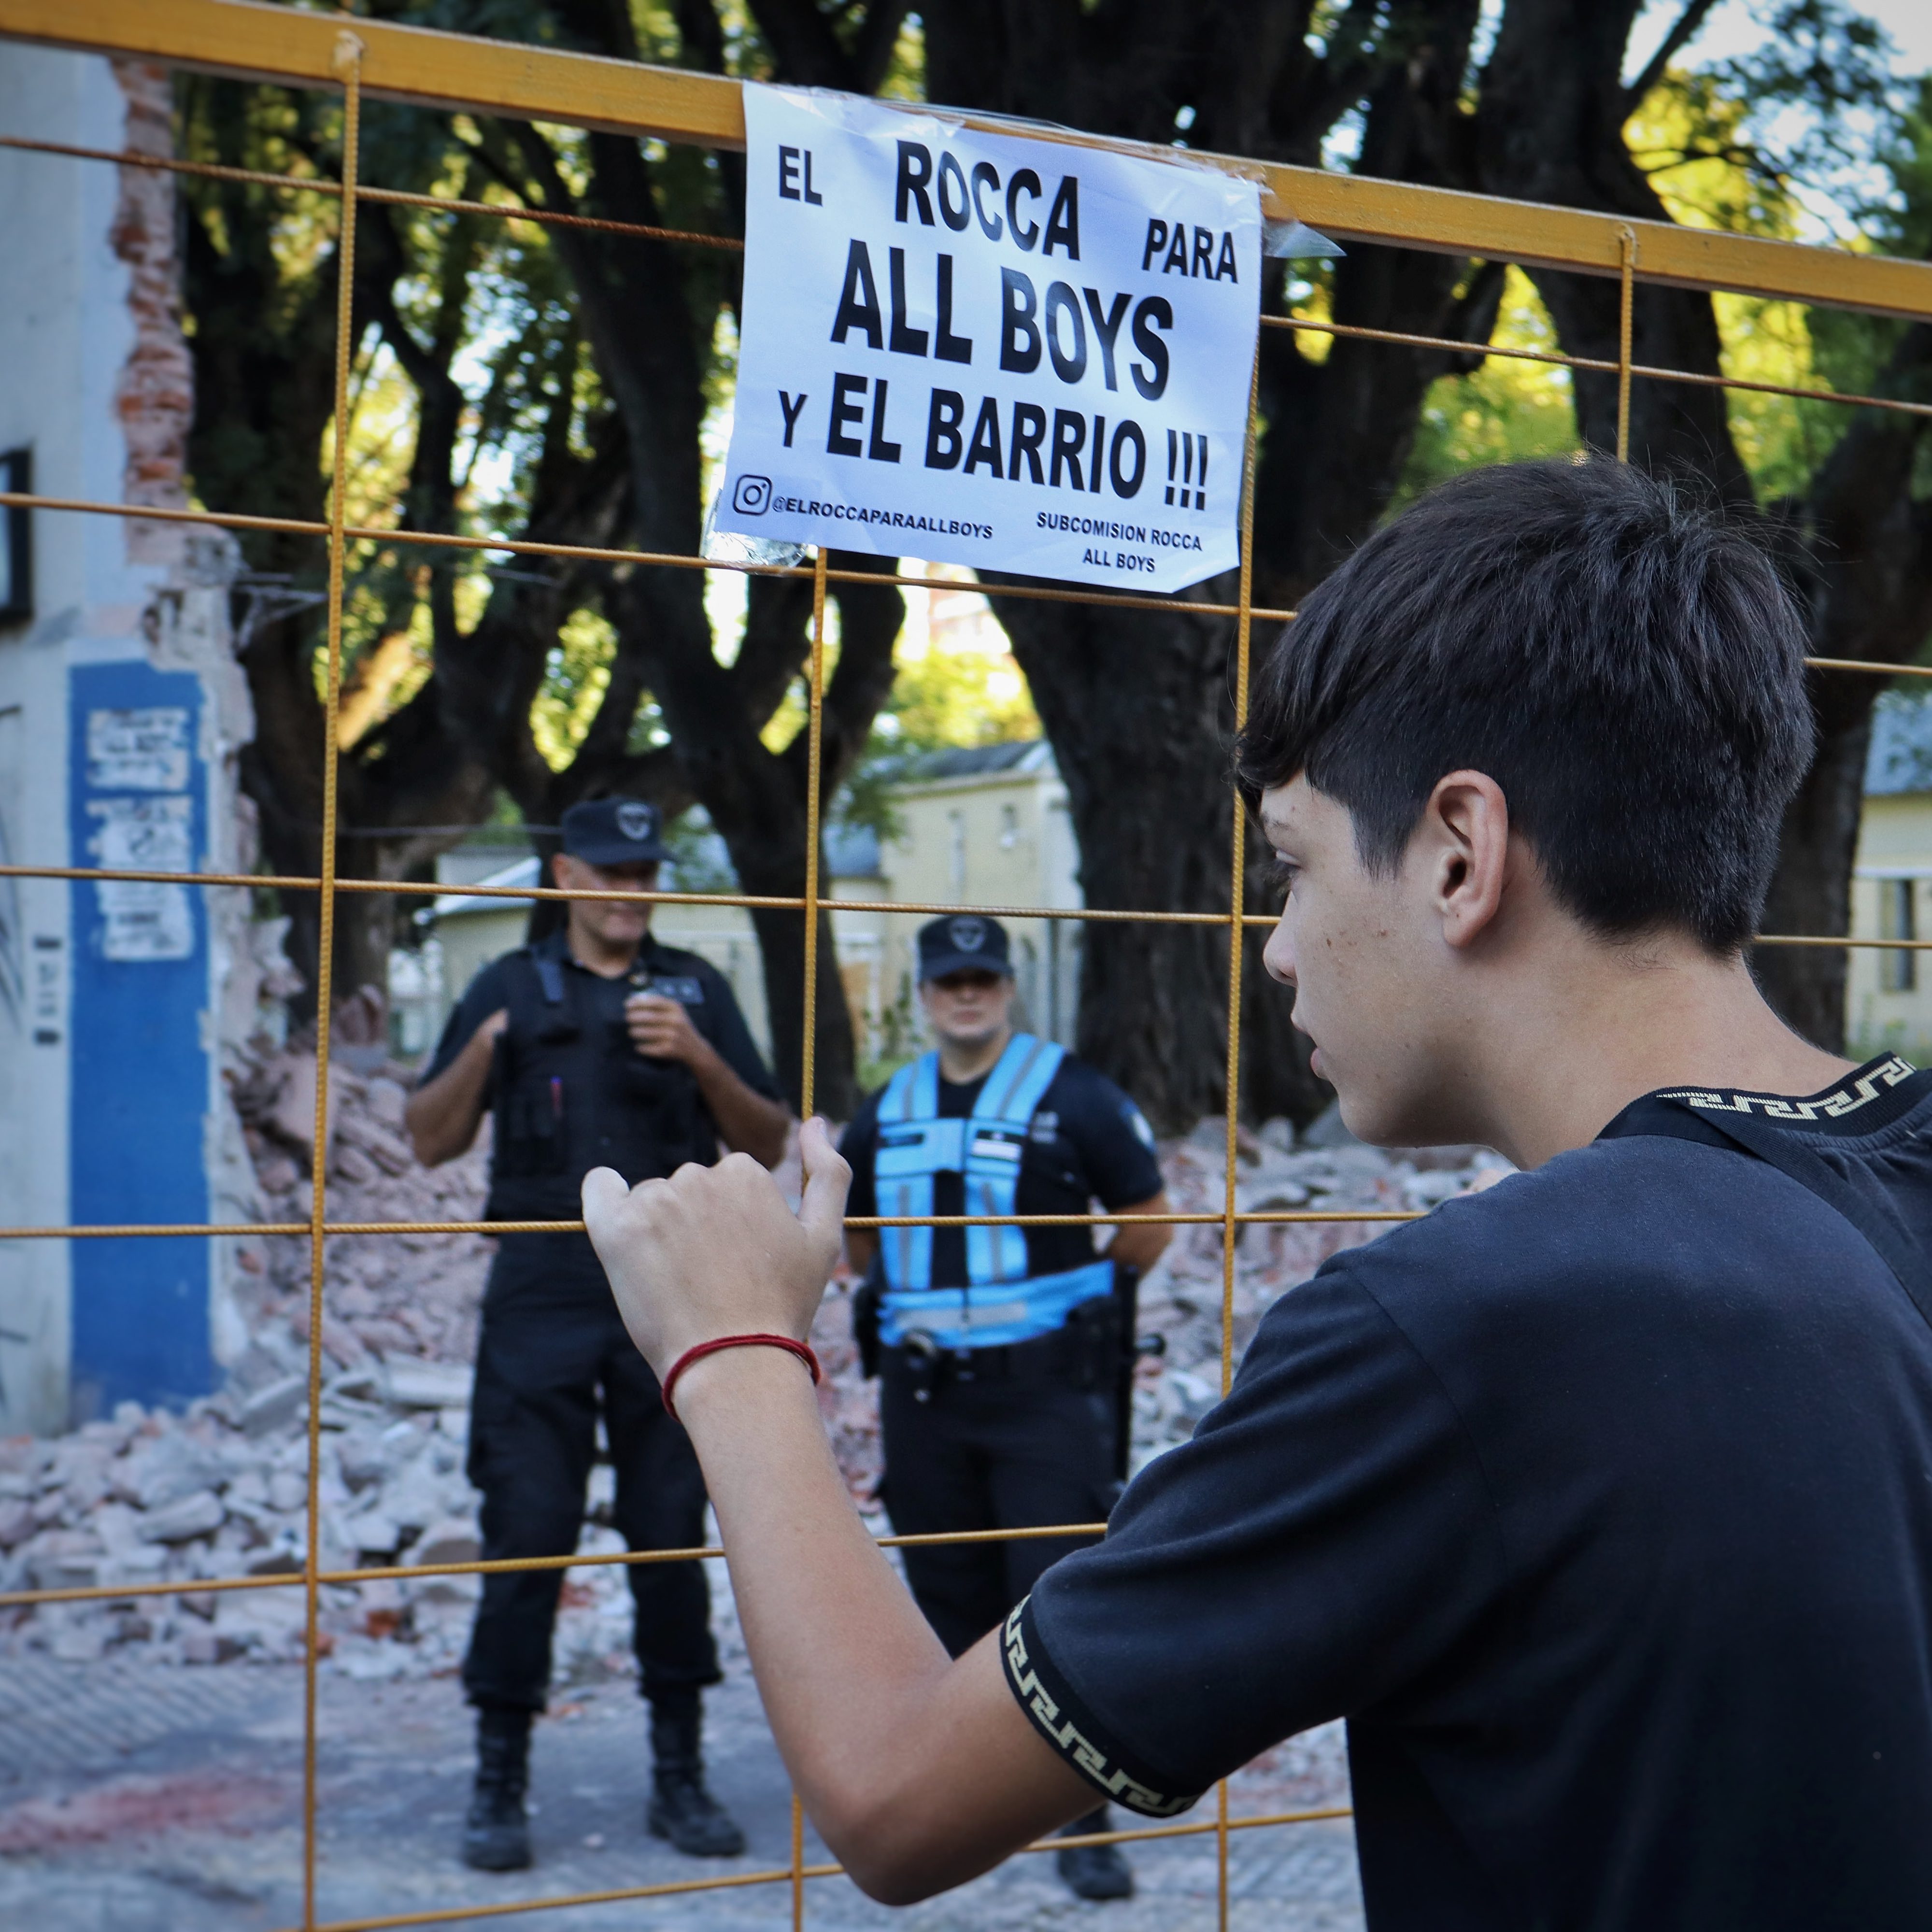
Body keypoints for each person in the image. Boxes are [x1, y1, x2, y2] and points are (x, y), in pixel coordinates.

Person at [577, 460, 1932, 1927]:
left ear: (1459, 854)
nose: (1278, 947)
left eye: (1290, 865)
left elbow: (897, 1794)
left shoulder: (1466, 1325)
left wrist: (733, 1348)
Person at [404, 796, 789, 1875]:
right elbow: (427, 1140)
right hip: (541, 1292)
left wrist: (701, 1057)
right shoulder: (507, 984)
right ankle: (498, 1780)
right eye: (611, 873)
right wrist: (486, 1048)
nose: (631, 892)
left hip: (669, 1292)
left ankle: (680, 1773)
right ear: (566, 877)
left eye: (645, 873)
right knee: (527, 1532)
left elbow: (767, 1136)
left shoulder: (694, 986)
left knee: (669, 1536)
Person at [838, 914, 1172, 1901]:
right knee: (946, 1590)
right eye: (949, 980)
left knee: (1055, 1594)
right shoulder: (886, 1108)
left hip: (1043, 1393)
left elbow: (1148, 1225)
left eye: (982, 977)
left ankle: (1082, 1820)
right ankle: (972, 1798)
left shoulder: (1073, 1095)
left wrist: (1069, 1308)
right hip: (924, 1394)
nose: (966, 994)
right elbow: (858, 1238)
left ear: (1008, 987)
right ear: (923, 993)